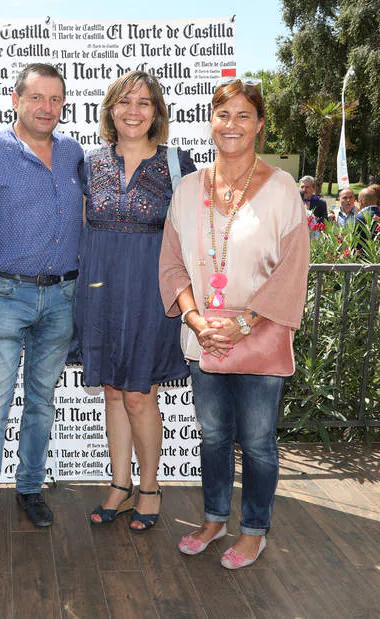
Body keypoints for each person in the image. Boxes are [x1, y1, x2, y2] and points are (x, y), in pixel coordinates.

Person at [159, 78, 310, 569]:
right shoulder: (187, 188)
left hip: (261, 335)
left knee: (260, 442)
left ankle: (254, 530)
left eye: (244, 115)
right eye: (224, 115)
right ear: (211, 122)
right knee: (213, 436)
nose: (232, 125)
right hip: (205, 336)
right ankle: (214, 519)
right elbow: (171, 264)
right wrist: (196, 318)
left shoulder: (283, 189)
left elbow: (293, 266)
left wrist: (244, 322)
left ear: (260, 125)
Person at [0, 63, 85, 553]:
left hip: (62, 299)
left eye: (55, 100)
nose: (46, 108)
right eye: (37, 98)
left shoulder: (73, 154)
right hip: (3, 298)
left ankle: (29, 488)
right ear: (15, 99)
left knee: (42, 403)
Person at [72, 71, 195, 532]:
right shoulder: (89, 162)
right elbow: (80, 226)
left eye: (144, 103)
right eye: (125, 102)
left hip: (149, 291)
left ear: (157, 112)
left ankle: (150, 486)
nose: (134, 111)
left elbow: (191, 234)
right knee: (112, 392)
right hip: (99, 289)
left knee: (140, 395)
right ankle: (119, 485)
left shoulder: (177, 164)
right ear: (110, 109)